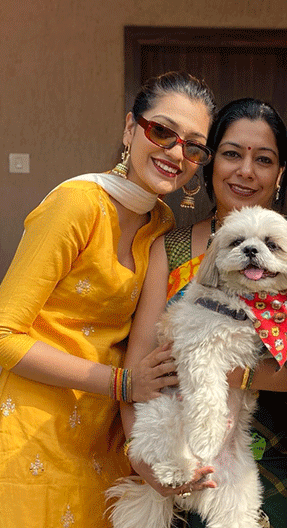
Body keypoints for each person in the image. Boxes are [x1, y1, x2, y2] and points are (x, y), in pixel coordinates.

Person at [120, 98, 287, 528]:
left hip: (275, 465)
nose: (245, 170)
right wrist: (141, 460)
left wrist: (236, 373)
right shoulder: (172, 248)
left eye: (264, 159)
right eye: (232, 154)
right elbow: (139, 369)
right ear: (210, 162)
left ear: (280, 174)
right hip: (175, 456)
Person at [0, 71, 217, 528]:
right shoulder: (77, 204)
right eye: (162, 131)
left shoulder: (158, 222)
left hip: (103, 444)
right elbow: (5, 336)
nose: (176, 152)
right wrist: (124, 384)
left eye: (193, 146)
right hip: (31, 435)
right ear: (129, 128)